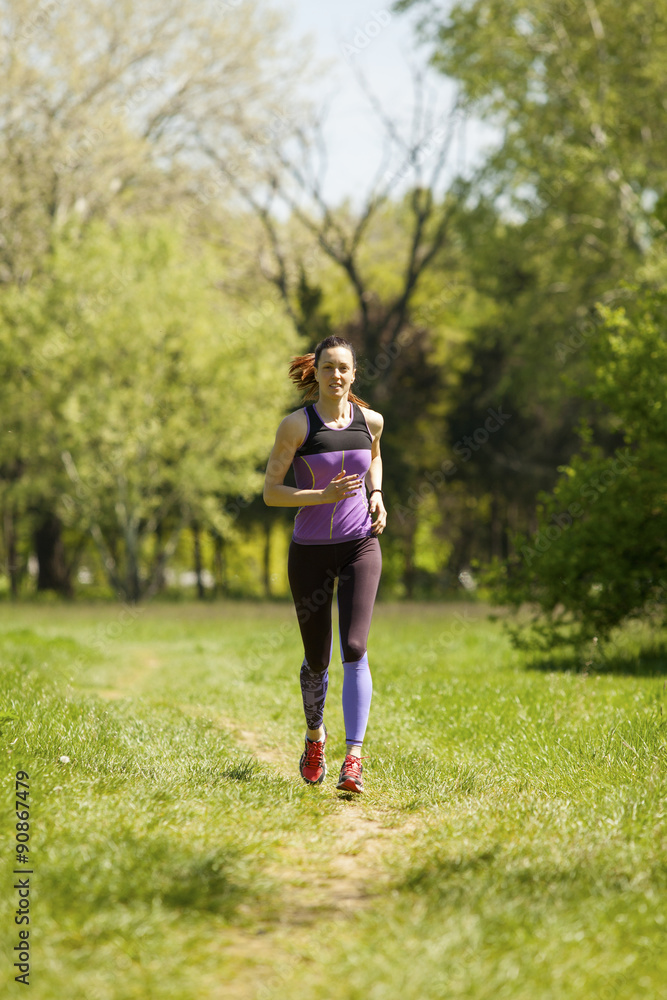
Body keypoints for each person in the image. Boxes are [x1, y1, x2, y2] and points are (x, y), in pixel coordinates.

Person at [263, 335, 386, 793]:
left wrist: (376, 495)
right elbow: (271, 491)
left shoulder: (370, 421)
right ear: (314, 372)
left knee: (354, 646)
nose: (337, 375)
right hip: (310, 551)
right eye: (329, 367)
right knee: (317, 658)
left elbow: (374, 458)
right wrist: (322, 496)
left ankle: (353, 757)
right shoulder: (296, 426)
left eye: (344, 368)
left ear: (354, 374)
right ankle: (316, 737)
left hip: (359, 545)